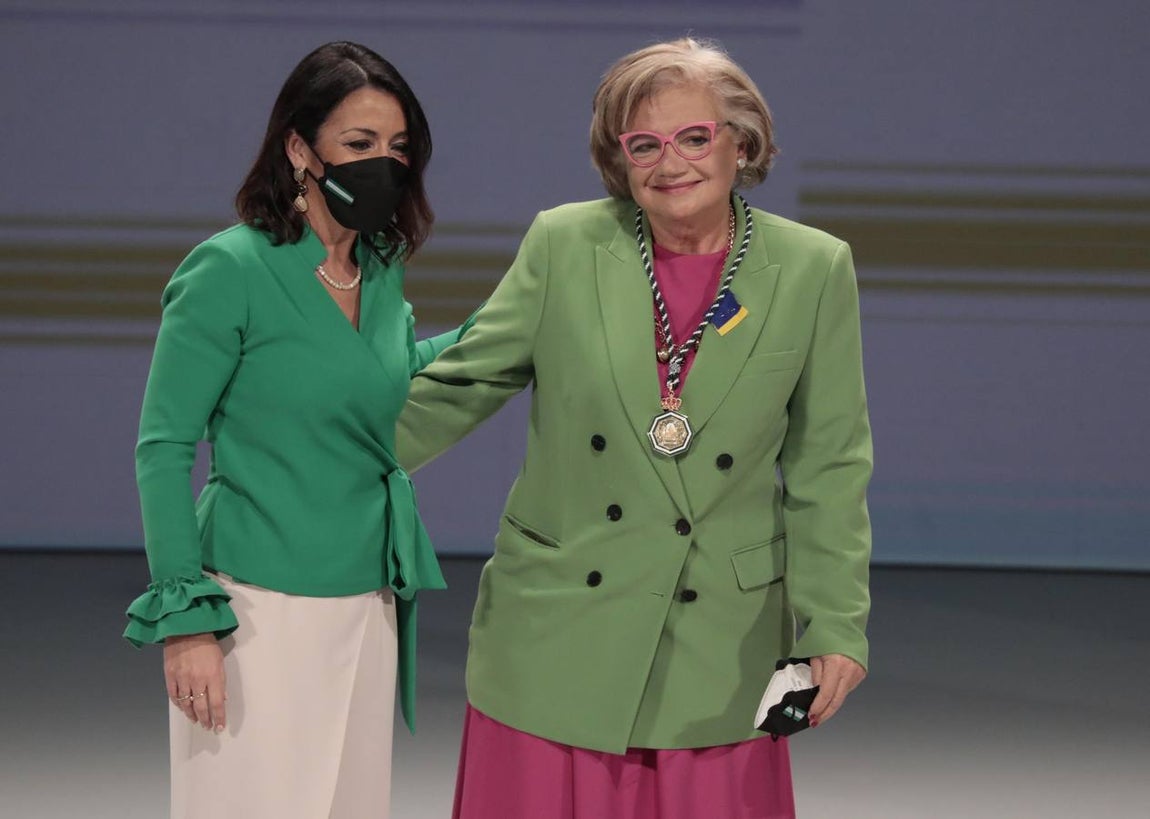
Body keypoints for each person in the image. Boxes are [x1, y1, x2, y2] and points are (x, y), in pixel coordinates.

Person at [398, 37, 873, 818]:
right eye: (643, 144)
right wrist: (313, 457)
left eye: (695, 137)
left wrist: (836, 623)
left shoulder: (812, 267)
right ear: (618, 160)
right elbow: (460, 383)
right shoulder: (565, 243)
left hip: (718, 641)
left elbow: (830, 464)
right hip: (558, 628)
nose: (670, 162)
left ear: (742, 143)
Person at [123, 41, 466, 818]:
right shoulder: (228, 270)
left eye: (398, 147)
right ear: (299, 149)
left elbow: (377, 373)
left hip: (367, 602)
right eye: (360, 143)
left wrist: (504, 332)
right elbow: (163, 447)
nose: (384, 163)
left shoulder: (379, 266)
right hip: (254, 610)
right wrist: (186, 624)